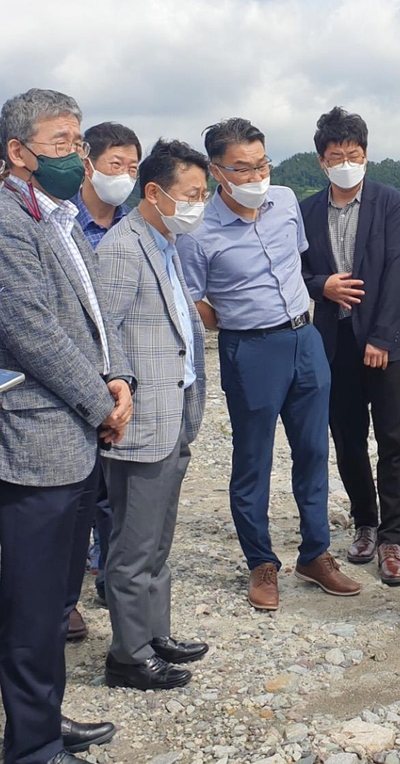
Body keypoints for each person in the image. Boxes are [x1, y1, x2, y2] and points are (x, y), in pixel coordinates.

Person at [178, 118, 360, 611]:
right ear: (219, 172)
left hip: (306, 339)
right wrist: (236, 319)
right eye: (243, 168)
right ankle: (261, 561)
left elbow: (296, 262)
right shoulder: (198, 232)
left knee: (312, 452)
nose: (257, 175)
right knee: (254, 460)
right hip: (251, 350)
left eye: (262, 163)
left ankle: (316, 554)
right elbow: (192, 297)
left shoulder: (283, 202)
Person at [0, 88, 131, 764]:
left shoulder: (58, 216)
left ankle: (44, 719)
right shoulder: (6, 221)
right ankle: (30, 746)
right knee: (29, 608)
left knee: (55, 598)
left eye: (78, 142)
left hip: (75, 433)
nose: (75, 155)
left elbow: (92, 313)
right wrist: (99, 401)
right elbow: (31, 331)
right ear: (18, 151)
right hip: (35, 438)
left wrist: (118, 379)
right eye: (61, 143)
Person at [95, 139, 211, 691]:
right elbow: (106, 334)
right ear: (155, 192)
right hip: (142, 420)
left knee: (159, 538)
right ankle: (128, 654)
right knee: (133, 543)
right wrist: (121, 395)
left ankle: (155, 632)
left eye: (205, 194)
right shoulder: (123, 247)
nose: (199, 204)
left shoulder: (164, 243)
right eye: (192, 194)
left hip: (176, 411)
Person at [300, 108, 400, 586]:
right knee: (347, 438)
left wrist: (380, 338)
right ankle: (364, 523)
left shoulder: (392, 204)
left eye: (354, 154)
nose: (346, 162)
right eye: (336, 156)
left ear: (366, 155)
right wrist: (321, 284)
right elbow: (295, 272)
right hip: (333, 340)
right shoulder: (306, 210)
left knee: (393, 439)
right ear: (322, 161)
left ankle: (392, 537)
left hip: (386, 340)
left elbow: (397, 271)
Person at [70, 121, 141, 639]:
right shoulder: (59, 223)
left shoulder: (137, 227)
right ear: (87, 164)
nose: (125, 176)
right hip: (69, 378)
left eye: (133, 168)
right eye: (115, 164)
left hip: (121, 379)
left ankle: (110, 580)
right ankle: (64, 594)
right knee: (73, 493)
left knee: (116, 494)